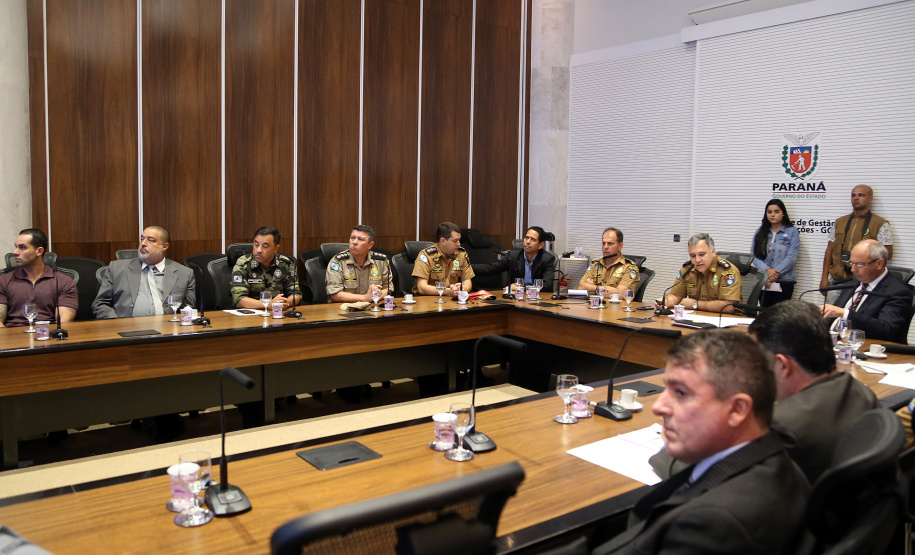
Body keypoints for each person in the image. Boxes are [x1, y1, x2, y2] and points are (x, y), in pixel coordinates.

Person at [593, 330, 810, 554]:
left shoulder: (714, 522)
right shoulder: (776, 459)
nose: (658, 407)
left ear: (737, 410)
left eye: (681, 393)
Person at [651, 300, 879, 484]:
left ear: (782, 365)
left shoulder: (782, 426)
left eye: (758, 360)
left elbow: (717, 479)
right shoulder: (860, 391)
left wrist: (668, 447)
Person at [93, 226, 196, 319]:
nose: (143, 243)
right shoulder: (117, 269)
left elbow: (188, 308)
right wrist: (117, 324)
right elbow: (100, 304)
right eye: (142, 239)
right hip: (126, 331)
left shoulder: (184, 273)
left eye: (150, 240)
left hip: (167, 331)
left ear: (164, 246)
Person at [821, 239, 912, 343]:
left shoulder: (898, 292)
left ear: (879, 263)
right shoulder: (855, 282)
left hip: (868, 348)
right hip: (833, 342)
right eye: (851, 263)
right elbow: (834, 315)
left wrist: (846, 313)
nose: (853, 270)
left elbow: (886, 329)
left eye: (860, 265)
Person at [820, 185, 892, 303]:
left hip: (863, 284)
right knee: (830, 318)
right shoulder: (839, 222)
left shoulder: (880, 223)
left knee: (854, 318)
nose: (856, 198)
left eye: (861, 195)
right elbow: (829, 251)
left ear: (870, 198)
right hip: (836, 281)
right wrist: (824, 278)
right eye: (853, 195)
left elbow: (887, 255)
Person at [0, 228, 77, 327]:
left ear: (39, 251)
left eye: (22, 247)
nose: (15, 252)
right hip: (13, 336)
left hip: (48, 335)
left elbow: (63, 323)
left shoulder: (63, 282)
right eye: (16, 247)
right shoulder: (3, 281)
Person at [655, 233, 741, 314]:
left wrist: (695, 304)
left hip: (726, 321)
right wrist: (665, 301)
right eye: (693, 256)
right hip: (697, 317)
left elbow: (729, 306)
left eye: (702, 254)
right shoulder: (687, 269)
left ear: (713, 252)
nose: (697, 260)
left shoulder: (726, 271)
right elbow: (675, 295)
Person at [231, 226, 301, 310]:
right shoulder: (243, 263)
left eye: (264, 246)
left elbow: (296, 294)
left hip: (277, 313)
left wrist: (283, 303)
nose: (258, 250)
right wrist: (268, 305)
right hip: (250, 315)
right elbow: (239, 300)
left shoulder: (286, 263)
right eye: (256, 245)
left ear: (276, 248)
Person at [472, 226, 557, 293]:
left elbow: (547, 285)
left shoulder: (547, 259)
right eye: (526, 238)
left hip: (539, 299)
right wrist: (466, 267)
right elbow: (490, 268)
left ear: (540, 245)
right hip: (517, 298)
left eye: (533, 239)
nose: (528, 242)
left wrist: (522, 287)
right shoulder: (513, 256)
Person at [750, 199, 800, 307]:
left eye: (776, 212)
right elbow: (754, 255)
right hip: (763, 280)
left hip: (784, 281)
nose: (772, 215)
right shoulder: (760, 232)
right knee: (764, 314)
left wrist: (773, 275)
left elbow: (791, 258)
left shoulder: (792, 232)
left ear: (783, 214)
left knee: (780, 315)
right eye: (769, 212)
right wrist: (767, 271)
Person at [326, 225, 393, 303]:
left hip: (372, 308)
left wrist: (376, 294)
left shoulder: (381, 261)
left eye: (360, 239)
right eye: (352, 238)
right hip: (344, 308)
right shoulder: (338, 261)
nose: (354, 242)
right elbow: (335, 294)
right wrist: (365, 298)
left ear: (370, 245)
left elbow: (388, 289)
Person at [412, 222, 474, 297]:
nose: (459, 244)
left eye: (459, 240)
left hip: (452, 301)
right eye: (455, 241)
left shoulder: (461, 254)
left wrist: (460, 289)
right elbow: (421, 288)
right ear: (443, 241)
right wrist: (447, 291)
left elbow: (468, 283)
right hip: (429, 301)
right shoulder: (426, 256)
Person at [577, 227, 640, 297]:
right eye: (603, 243)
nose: (605, 247)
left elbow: (621, 294)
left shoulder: (629, 267)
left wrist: (592, 289)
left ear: (620, 246)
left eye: (610, 244)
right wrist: (603, 289)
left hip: (617, 307)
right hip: (595, 305)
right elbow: (581, 287)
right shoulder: (595, 264)